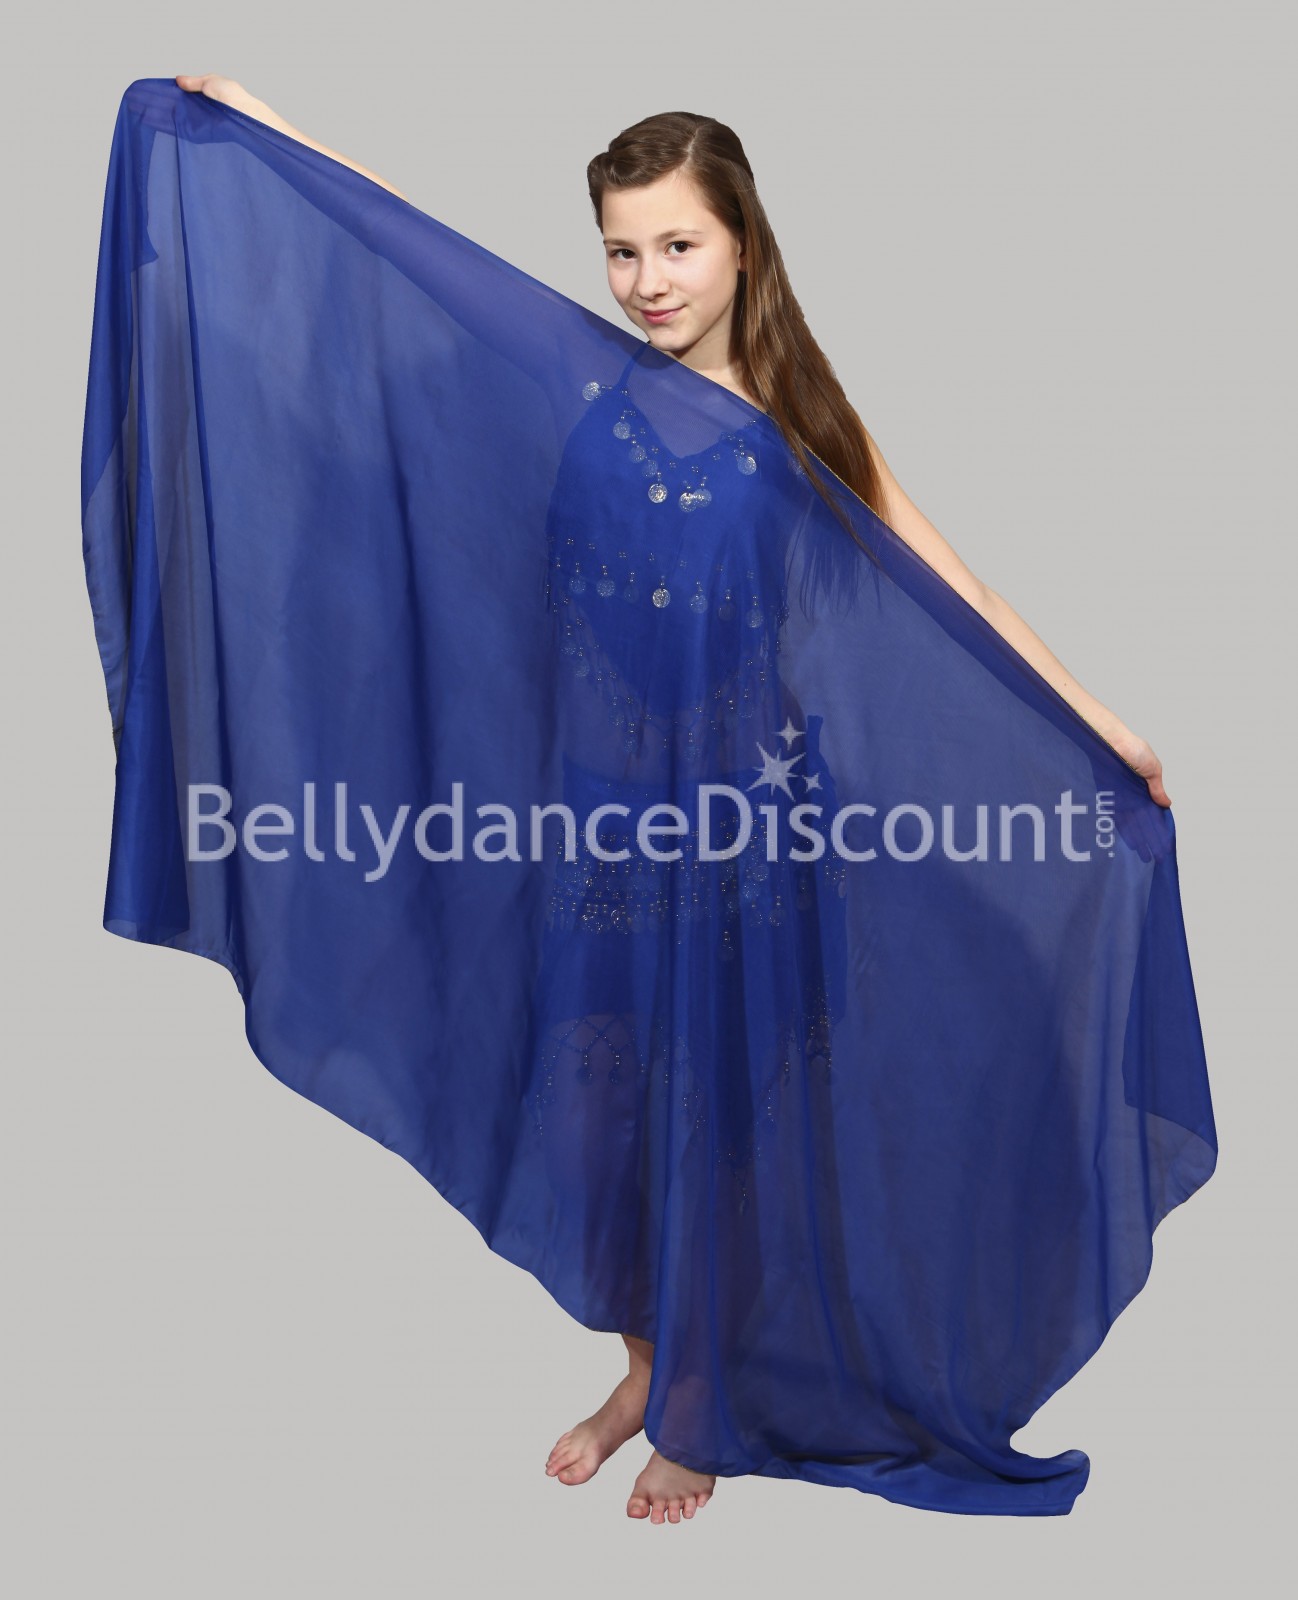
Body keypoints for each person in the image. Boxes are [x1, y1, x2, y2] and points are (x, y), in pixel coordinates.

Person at [91, 76, 1205, 1523]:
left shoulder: (800, 422)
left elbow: (962, 594)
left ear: (742, 241)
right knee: (598, 1118)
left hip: (743, 832)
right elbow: (397, 238)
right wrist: (259, 123)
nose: (646, 280)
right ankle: (645, 1366)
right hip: (592, 822)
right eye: (621, 250)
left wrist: (1103, 724)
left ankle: (699, 1409)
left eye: (677, 246)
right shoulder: (585, 379)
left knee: (717, 1123)